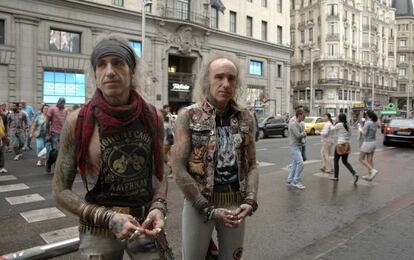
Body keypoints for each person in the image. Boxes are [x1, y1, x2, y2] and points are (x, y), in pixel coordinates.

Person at [52, 34, 167, 259]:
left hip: (145, 223)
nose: (110, 71)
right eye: (102, 65)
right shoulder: (79, 121)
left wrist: (158, 207)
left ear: (131, 71)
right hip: (98, 228)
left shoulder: (153, 117)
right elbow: (60, 190)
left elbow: (159, 174)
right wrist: (108, 218)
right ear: (95, 73)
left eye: (118, 63)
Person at [172, 54, 258, 260]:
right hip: (198, 204)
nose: (225, 84)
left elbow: (252, 164)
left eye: (231, 78)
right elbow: (178, 168)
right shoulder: (189, 116)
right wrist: (205, 207)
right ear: (207, 81)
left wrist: (250, 200)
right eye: (219, 77)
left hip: (235, 203)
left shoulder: (246, 117)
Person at [331, 113, 358, 184]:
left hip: (340, 144)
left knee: (336, 160)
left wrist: (335, 123)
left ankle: (336, 177)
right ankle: (354, 173)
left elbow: (332, 129)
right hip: (346, 145)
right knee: (345, 161)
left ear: (339, 118)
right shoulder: (348, 125)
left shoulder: (339, 124)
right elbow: (350, 134)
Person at [45, 97, 68, 173]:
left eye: (64, 103)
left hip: (64, 133)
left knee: (63, 151)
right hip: (55, 133)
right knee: (56, 151)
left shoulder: (65, 110)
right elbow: (47, 122)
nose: (62, 104)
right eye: (61, 102)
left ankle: (57, 167)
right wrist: (47, 134)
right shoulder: (52, 109)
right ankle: (49, 162)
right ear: (58, 102)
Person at [287, 108, 307, 190]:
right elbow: (298, 135)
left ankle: (290, 179)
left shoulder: (300, 123)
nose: (304, 117)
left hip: (299, 146)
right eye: (303, 116)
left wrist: (303, 134)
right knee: (300, 163)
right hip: (294, 146)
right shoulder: (293, 124)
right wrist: (304, 133)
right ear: (299, 115)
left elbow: (301, 134)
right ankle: (295, 181)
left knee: (295, 164)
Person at [358, 110, 379, 181]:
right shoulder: (375, 123)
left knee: (360, 158)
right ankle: (370, 175)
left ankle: (372, 170)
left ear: (367, 115)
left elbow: (364, 133)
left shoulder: (368, 123)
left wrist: (360, 129)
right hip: (373, 142)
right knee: (370, 159)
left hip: (367, 143)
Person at [162, 109, 174, 178]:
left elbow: (168, 134)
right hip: (167, 143)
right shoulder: (167, 124)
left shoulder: (164, 125)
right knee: (168, 157)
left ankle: (173, 170)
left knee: (164, 158)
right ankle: (173, 171)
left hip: (165, 143)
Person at [0, 109, 8, 173]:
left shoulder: (3, 116)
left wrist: (6, 135)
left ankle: (2, 167)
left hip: (1, 137)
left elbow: (5, 126)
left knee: (1, 152)